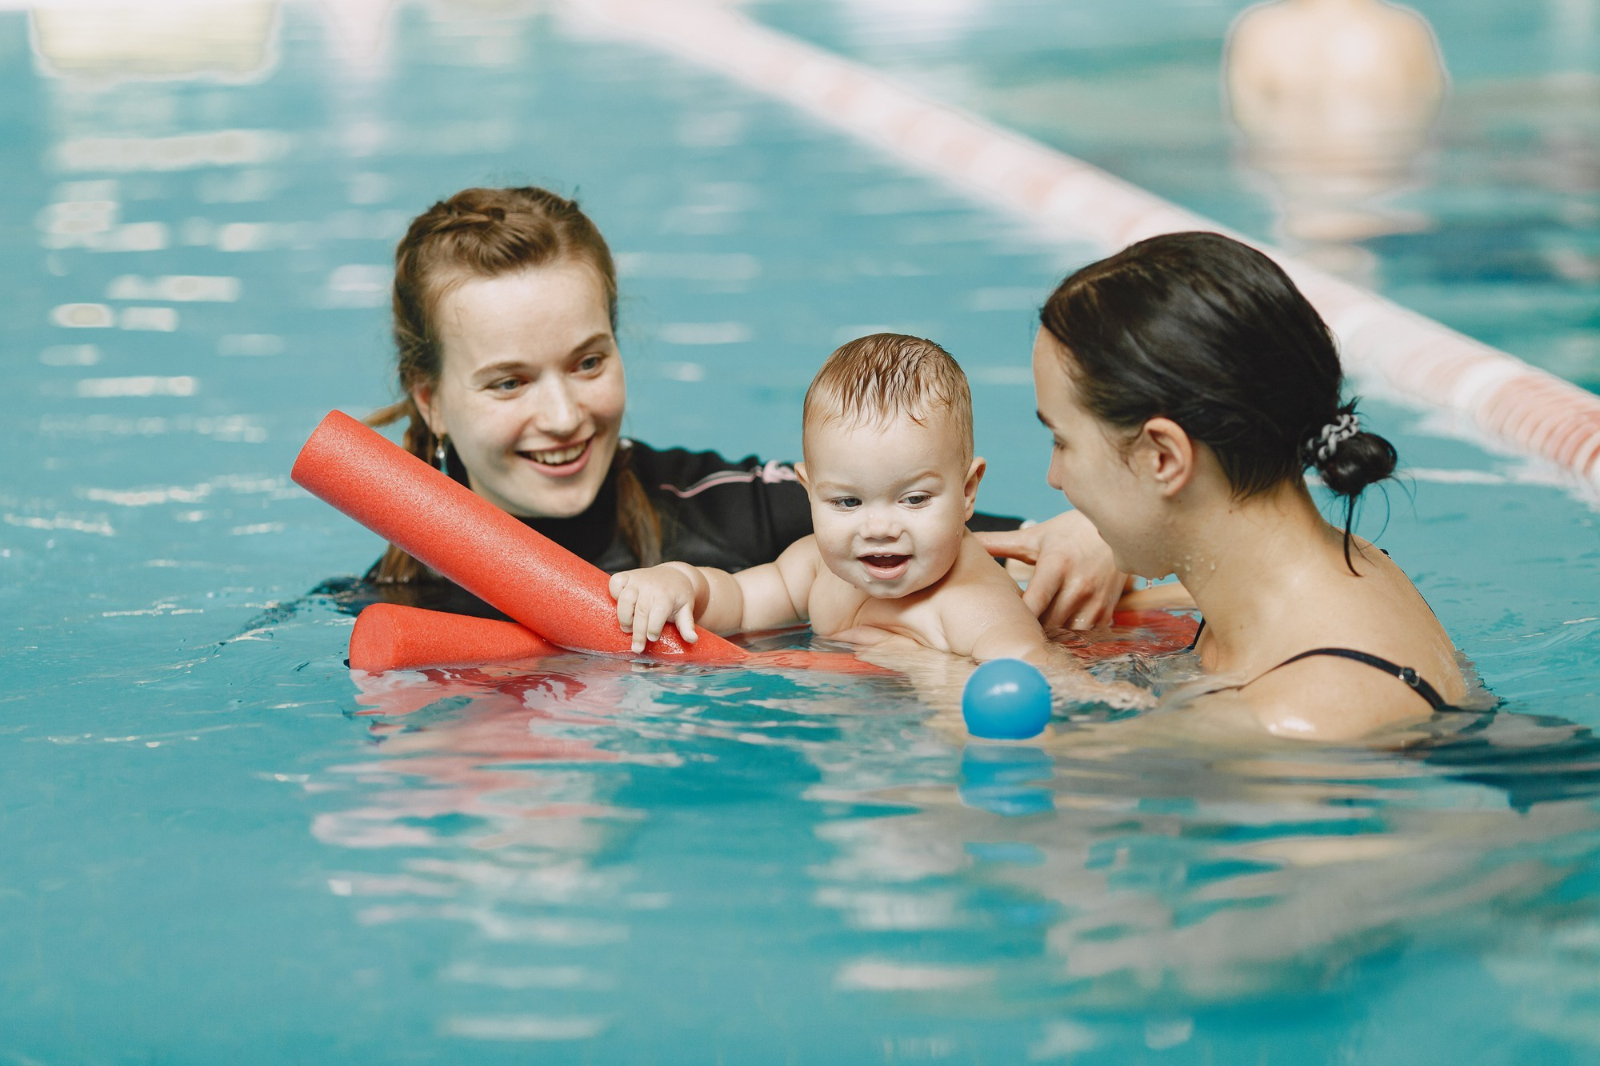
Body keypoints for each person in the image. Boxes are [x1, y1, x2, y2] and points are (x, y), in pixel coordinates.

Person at [357, 185, 1126, 626]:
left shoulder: (741, 514)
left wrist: (1095, 537)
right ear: (431, 402)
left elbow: (984, 531)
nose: (562, 416)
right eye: (509, 382)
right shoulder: (403, 600)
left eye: (588, 362)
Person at [1030, 231, 1471, 741]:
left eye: (1062, 442)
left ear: (1163, 457)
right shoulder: (1350, 564)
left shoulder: (1285, 722)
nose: (1053, 476)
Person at [608, 334, 1065, 667]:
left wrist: (930, 672)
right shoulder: (816, 569)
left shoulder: (975, 606)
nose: (880, 527)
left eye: (913, 499)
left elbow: (1038, 684)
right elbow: (740, 603)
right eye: (848, 503)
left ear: (968, 491)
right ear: (808, 492)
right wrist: (681, 582)